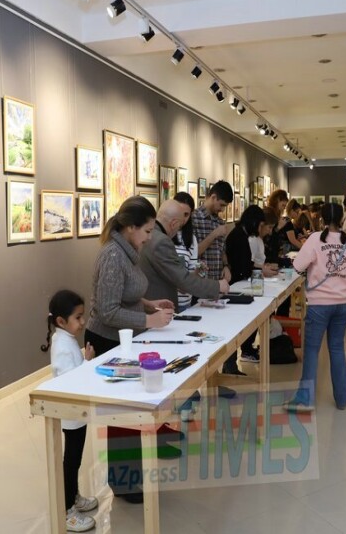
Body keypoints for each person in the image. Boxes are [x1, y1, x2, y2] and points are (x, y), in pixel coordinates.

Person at [85, 196, 176, 504]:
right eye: (147, 231)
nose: (150, 237)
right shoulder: (113, 255)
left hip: (123, 339)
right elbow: (108, 311)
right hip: (107, 341)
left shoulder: (127, 251)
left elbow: (126, 294)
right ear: (130, 227)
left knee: (130, 412)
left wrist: (148, 304)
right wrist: (149, 320)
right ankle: (123, 482)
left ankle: (129, 476)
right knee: (121, 415)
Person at [285, 203, 346, 412]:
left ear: (321, 219)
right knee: (337, 349)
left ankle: (305, 400)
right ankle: (342, 398)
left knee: (312, 351)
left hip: (319, 305)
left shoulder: (315, 239)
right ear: (342, 219)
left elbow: (297, 266)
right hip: (343, 305)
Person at [41, 290, 99, 532]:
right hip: (71, 414)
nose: (82, 322)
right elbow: (70, 380)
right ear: (61, 321)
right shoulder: (63, 346)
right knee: (71, 462)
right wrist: (87, 362)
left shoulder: (65, 338)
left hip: (77, 413)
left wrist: (84, 361)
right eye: (78, 317)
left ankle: (73, 497)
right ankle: (66, 511)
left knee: (75, 460)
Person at [140, 199, 229, 309]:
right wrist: (217, 286)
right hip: (158, 307)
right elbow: (182, 280)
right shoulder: (161, 241)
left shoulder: (152, 236)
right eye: (179, 227)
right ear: (173, 223)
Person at [225, 205, 271, 367]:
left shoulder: (242, 235)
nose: (260, 229)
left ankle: (232, 363)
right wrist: (260, 269)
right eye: (260, 225)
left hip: (239, 283)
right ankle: (231, 364)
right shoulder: (239, 236)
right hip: (235, 285)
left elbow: (245, 263)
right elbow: (242, 265)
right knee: (233, 326)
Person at [193, 180, 233, 283]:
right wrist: (214, 234)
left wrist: (226, 266)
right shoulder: (194, 218)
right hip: (201, 282)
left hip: (218, 281)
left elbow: (222, 250)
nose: (222, 210)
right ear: (213, 197)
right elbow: (194, 252)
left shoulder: (220, 222)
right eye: (221, 205)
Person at [172, 192, 204, 312]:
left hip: (185, 301)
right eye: (179, 213)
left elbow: (192, 273)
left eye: (186, 214)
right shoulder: (164, 235)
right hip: (166, 299)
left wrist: (199, 269)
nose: (182, 218)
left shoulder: (191, 239)